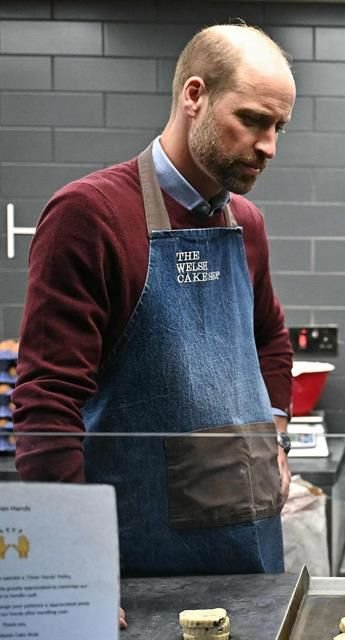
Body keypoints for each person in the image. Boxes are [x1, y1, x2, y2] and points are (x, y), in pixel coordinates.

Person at [12, 23, 295, 587]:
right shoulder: (89, 215)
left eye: (279, 126)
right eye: (252, 120)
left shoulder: (248, 224)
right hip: (142, 555)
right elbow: (45, 402)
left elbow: (272, 341)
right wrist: (74, 566)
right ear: (195, 96)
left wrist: (277, 441)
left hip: (250, 544)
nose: (268, 146)